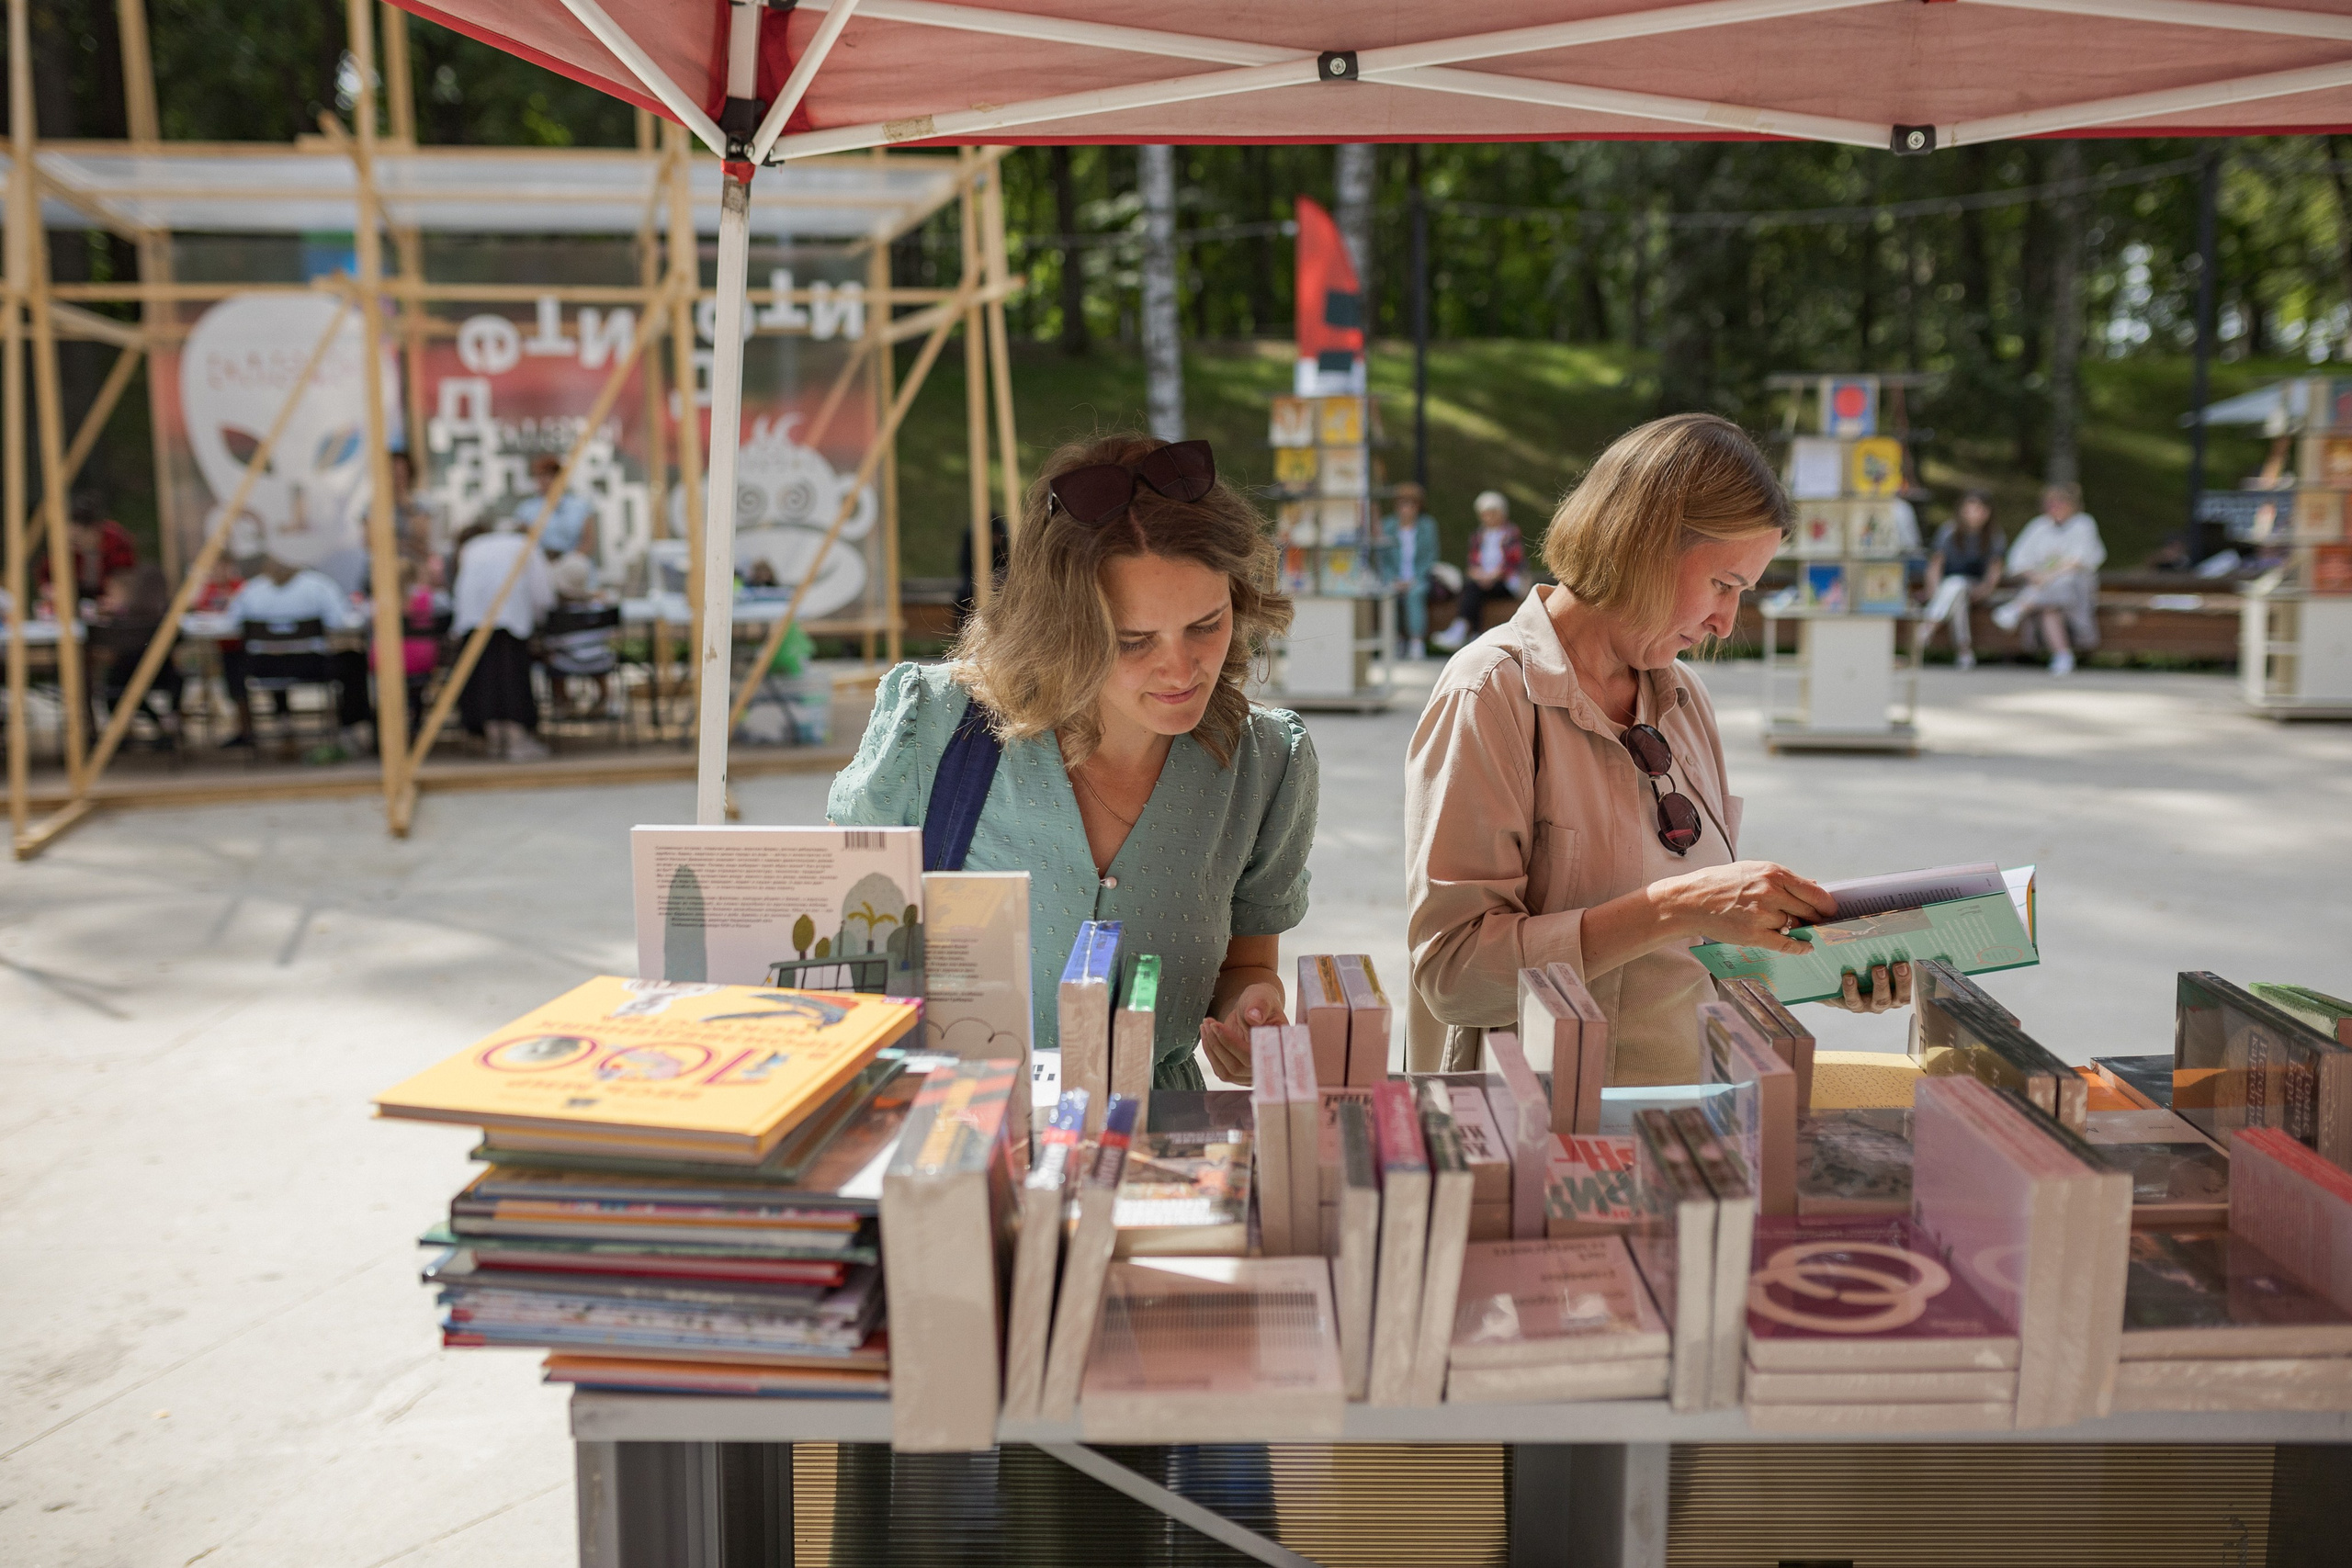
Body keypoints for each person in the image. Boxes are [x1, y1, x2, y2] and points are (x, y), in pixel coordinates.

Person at [1406, 413, 1907, 1082]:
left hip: (1687, 1114)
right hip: (1545, 1121)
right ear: (1644, 545)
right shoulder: (1491, 692)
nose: (1726, 623)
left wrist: (1826, 961)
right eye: (1723, 584)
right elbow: (1455, 976)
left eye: (1743, 592)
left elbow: (1697, 952)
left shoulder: (1684, 697)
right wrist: (1674, 907)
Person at [830, 434, 1317, 1088]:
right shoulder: (933, 728)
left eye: (1206, 624)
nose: (1181, 668)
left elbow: (1246, 966)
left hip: (1156, 1132)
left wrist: (1250, 1012)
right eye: (1134, 640)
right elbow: (836, 948)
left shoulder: (1266, 764)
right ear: (1061, 626)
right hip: (958, 1120)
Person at [222, 555, 374, 752]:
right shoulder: (318, 586)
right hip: (313, 666)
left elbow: (230, 625)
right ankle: (348, 725)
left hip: (263, 668)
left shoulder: (251, 590)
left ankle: (256, 726)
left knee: (235, 659)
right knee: (354, 658)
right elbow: (340, 622)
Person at [451, 517, 555, 760]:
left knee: (484, 678)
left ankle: (494, 738)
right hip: (511, 618)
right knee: (511, 676)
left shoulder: (474, 547)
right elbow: (542, 593)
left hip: (473, 619)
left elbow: (460, 587)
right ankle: (516, 737)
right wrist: (540, 619)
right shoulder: (526, 545)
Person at [1993, 481, 2105, 676]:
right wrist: (2033, 575)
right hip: (2042, 589)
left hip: (2075, 590)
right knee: (2049, 609)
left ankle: (2018, 608)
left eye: (2061, 503)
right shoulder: (2038, 526)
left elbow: (2079, 561)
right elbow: (2017, 561)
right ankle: (2062, 656)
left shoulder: (2084, 524)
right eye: (2051, 504)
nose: (2055, 508)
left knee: (2064, 582)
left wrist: (2049, 576)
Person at [93, 563, 183, 740]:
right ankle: (167, 721)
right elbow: (180, 639)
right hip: (162, 674)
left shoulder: (124, 615)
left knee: (122, 686)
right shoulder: (166, 613)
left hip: (123, 677)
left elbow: (108, 648)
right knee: (178, 677)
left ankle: (154, 722)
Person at [1919, 490, 2006, 670]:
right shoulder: (1948, 531)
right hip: (1948, 589)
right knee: (1957, 592)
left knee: (1956, 585)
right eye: (1971, 508)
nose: (1975, 514)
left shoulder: (1994, 536)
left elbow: (1994, 570)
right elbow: (1935, 565)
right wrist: (1934, 592)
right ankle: (1964, 652)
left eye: (1980, 509)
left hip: (1975, 588)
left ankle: (1926, 629)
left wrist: (1984, 591)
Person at [1431, 490, 1524, 650]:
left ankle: (1462, 629)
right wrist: (1480, 575)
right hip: (1483, 581)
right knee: (1474, 589)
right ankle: (1472, 633)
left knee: (1475, 590)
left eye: (1492, 513)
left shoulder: (1511, 534)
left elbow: (1513, 562)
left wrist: (1493, 576)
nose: (1488, 518)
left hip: (1507, 582)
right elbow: (1472, 563)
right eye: (1485, 514)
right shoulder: (1478, 535)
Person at [543, 551, 617, 716]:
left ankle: (562, 701)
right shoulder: (598, 609)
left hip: (565, 663)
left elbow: (550, 643)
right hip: (600, 661)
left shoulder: (558, 614)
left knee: (552, 656)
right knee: (594, 653)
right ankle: (604, 698)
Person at [1377, 482, 1441, 660]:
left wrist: (1415, 578)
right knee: (1389, 595)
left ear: (1417, 507)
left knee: (1415, 594)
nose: (1406, 510)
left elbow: (1430, 556)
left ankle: (1416, 641)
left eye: (1410, 505)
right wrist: (1393, 578)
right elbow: (1382, 559)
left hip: (1418, 578)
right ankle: (1395, 640)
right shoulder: (1387, 526)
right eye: (1402, 505)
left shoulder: (1427, 526)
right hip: (1394, 578)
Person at [41, 491, 139, 604]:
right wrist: (50, 589)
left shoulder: (117, 543)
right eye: (69, 540)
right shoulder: (66, 547)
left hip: (110, 601)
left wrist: (116, 598)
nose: (73, 545)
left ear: (95, 529)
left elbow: (127, 580)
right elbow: (46, 576)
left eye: (76, 538)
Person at [513, 453, 597, 559]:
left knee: (576, 566)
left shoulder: (580, 506)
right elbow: (521, 541)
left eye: (552, 476)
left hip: (572, 561)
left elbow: (588, 541)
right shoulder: (526, 509)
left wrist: (570, 559)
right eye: (541, 476)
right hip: (539, 561)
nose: (546, 480)